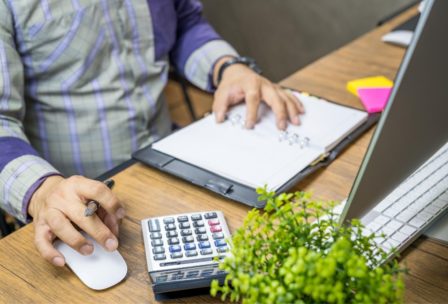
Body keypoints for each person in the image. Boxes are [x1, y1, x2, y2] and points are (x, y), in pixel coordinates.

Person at [0, 0, 303, 266]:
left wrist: (226, 67)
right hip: (77, 210)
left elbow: (183, 23)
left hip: (171, 165)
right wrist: (42, 191)